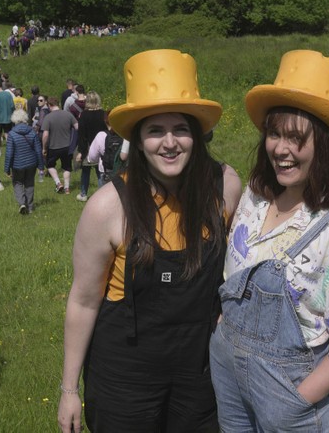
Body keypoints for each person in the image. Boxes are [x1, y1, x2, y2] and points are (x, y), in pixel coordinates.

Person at [57, 49, 242, 433]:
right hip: (123, 380)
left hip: (199, 376)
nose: (169, 143)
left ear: (198, 134)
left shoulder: (224, 188)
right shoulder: (106, 208)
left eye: (181, 129)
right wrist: (69, 389)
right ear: (138, 141)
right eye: (155, 130)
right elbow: (84, 300)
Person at [210, 50, 329, 431]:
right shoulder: (254, 198)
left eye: (296, 138)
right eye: (274, 134)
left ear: (325, 146)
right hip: (227, 377)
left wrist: (295, 402)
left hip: (288, 399)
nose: (281, 150)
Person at [4, 108, 45, 214]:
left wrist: (7, 168)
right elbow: (38, 150)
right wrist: (41, 166)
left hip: (17, 165)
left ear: (14, 119)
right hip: (31, 163)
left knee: (17, 183)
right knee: (29, 184)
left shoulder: (12, 134)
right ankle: (30, 207)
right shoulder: (32, 131)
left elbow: (9, 153)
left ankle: (22, 203)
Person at [41, 96, 78, 195]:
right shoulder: (68, 115)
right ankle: (67, 188)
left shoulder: (48, 117)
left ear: (49, 105)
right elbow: (77, 127)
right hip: (67, 146)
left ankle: (58, 183)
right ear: (58, 104)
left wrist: (44, 148)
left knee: (50, 165)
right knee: (66, 167)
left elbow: (45, 135)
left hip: (53, 147)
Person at [76, 91, 107, 202]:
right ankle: (101, 194)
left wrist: (81, 151)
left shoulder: (84, 115)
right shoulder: (103, 114)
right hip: (102, 145)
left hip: (88, 146)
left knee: (85, 171)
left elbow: (81, 134)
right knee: (100, 171)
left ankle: (83, 194)